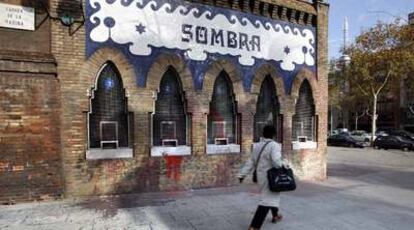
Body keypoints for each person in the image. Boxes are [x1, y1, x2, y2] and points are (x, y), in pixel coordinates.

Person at [238, 125, 284, 230]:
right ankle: (254, 226)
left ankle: (275, 215)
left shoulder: (257, 146)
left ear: (263, 133)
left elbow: (251, 162)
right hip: (270, 178)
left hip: (261, 177)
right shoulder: (274, 145)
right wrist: (285, 165)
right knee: (267, 200)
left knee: (271, 196)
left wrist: (242, 174)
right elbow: (277, 163)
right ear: (274, 134)